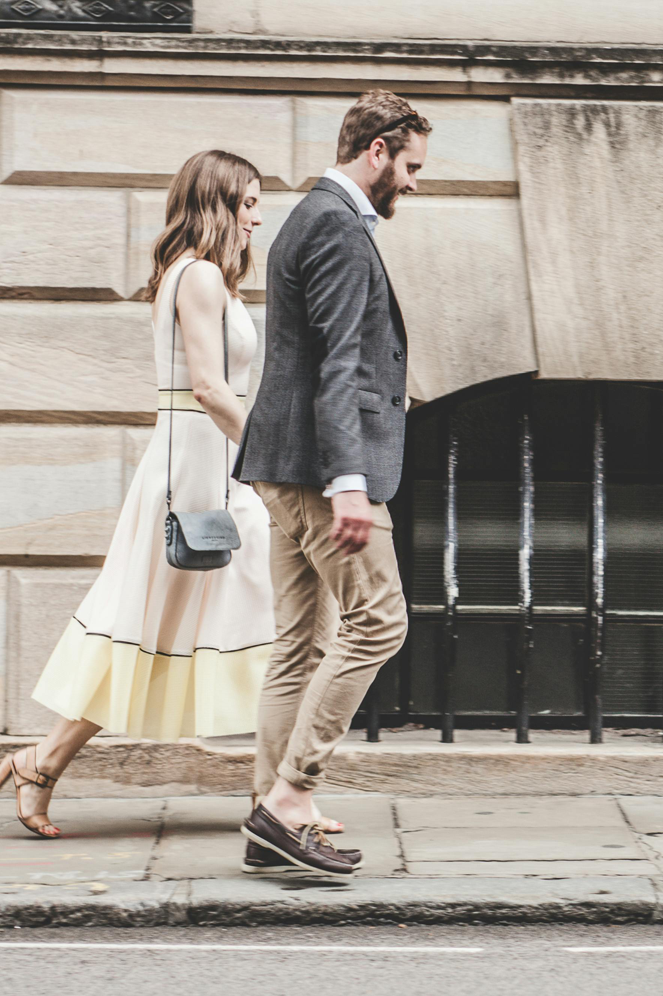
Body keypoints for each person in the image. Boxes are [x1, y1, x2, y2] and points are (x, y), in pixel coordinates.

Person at [0, 150, 275, 839]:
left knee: (215, 625)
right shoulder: (199, 276)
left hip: (208, 469)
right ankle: (284, 796)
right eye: (249, 203)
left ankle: (283, 792)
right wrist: (270, 457)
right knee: (159, 629)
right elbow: (207, 387)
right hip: (200, 475)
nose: (259, 217)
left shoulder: (198, 276)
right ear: (218, 203)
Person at [232, 90, 431, 877]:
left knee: (300, 644)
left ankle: (269, 815)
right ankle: (289, 797)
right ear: (376, 150)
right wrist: (350, 481)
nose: (413, 183)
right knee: (380, 623)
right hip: (321, 470)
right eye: (410, 166)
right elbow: (340, 364)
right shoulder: (339, 230)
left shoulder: (308, 218)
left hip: (280, 464)